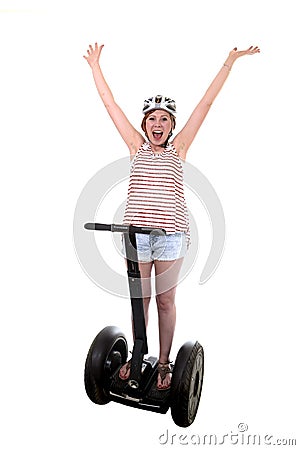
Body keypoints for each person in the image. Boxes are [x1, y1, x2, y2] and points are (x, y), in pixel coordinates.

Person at [83, 43, 260, 389]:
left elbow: (205, 104)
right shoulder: (135, 146)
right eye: (153, 119)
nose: (158, 123)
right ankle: (137, 356)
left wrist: (229, 62)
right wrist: (95, 66)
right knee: (140, 301)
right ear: (145, 124)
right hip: (136, 235)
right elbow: (110, 104)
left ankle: (163, 364)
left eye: (165, 119)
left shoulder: (179, 149)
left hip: (170, 238)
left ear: (172, 125)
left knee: (165, 299)